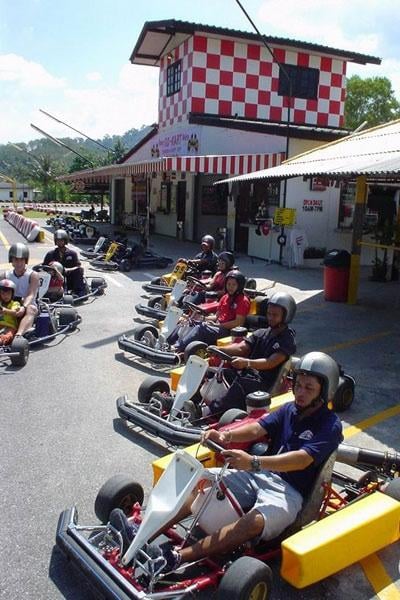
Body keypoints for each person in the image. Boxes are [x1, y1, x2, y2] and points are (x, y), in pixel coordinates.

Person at [111, 351, 343, 572]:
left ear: (324, 392)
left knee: (253, 523)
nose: (300, 392)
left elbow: (302, 460)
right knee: (200, 481)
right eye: (298, 386)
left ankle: (175, 558)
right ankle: (141, 533)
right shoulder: (289, 409)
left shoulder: (329, 424)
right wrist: (225, 435)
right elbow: (257, 428)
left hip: (289, 493)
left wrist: (253, 462)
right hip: (259, 474)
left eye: (309, 388)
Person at [206, 291, 297, 414]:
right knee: (219, 373)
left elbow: (270, 362)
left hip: (265, 384)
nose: (270, 317)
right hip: (250, 375)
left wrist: (247, 363)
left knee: (242, 383)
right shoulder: (262, 333)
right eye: (269, 313)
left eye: (275, 315)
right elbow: (241, 348)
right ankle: (196, 402)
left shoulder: (287, 340)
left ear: (286, 316)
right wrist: (219, 349)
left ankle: (210, 411)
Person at [168, 270, 251, 352]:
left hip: (229, 332)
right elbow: (217, 316)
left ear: (239, 286)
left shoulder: (243, 301)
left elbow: (238, 323)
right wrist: (202, 319)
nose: (230, 287)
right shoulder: (225, 297)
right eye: (228, 284)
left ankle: (176, 347)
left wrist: (218, 325)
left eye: (234, 285)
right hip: (218, 326)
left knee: (200, 328)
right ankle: (167, 342)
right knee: (189, 321)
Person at [0, 243, 40, 337]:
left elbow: (31, 294)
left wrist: (24, 307)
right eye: (16, 260)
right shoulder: (5, 275)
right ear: (11, 260)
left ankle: (19, 335)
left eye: (21, 260)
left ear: (25, 260)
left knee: (31, 309)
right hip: (9, 305)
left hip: (27, 305)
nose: (18, 263)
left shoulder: (33, 275)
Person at [43, 230, 86, 296]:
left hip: (69, 277)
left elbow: (78, 266)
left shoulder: (72, 254)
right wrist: (51, 270)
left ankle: (79, 291)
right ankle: (44, 291)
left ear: (65, 241)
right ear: (55, 241)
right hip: (55, 278)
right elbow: (44, 266)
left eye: (61, 240)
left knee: (79, 270)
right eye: (57, 240)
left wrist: (68, 270)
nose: (59, 242)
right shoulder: (50, 254)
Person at [0, 279, 21, 346]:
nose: (5, 296)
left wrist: (5, 310)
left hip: (10, 326)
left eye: (8, 293)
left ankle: (1, 341)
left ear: (12, 294)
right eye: (3, 293)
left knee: (7, 335)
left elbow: (15, 312)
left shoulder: (15, 303)